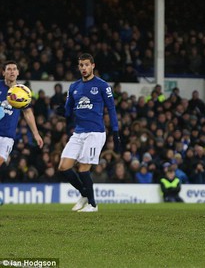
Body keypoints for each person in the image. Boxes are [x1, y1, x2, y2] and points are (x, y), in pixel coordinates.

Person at [57, 53, 120, 212]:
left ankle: (92, 205)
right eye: (81, 65)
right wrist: (62, 112)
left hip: (95, 132)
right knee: (63, 167)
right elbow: (69, 111)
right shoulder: (74, 87)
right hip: (78, 133)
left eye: (86, 65)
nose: (84, 68)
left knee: (83, 168)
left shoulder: (102, 85)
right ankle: (84, 193)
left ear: (93, 65)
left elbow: (111, 109)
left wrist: (115, 132)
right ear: (78, 67)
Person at [0, 61, 44, 170]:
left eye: (14, 69)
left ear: (18, 72)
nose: (12, 72)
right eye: (9, 69)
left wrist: (36, 134)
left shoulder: (21, 92)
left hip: (7, 137)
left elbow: (28, 113)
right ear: (3, 72)